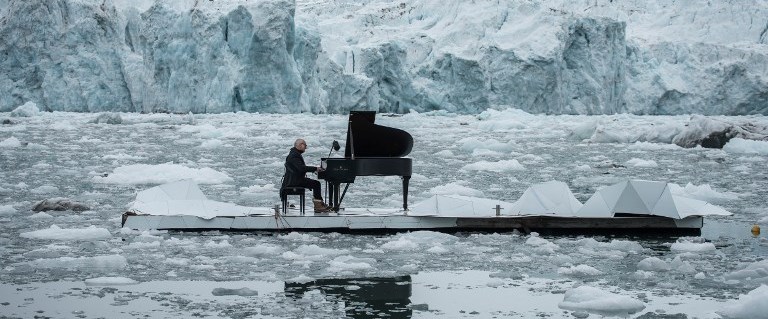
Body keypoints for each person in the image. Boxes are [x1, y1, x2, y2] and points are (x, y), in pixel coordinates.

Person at [281, 139, 332, 213]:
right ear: (301, 145)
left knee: (315, 184)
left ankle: (319, 205)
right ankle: (318, 206)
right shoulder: (294, 156)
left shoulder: (294, 154)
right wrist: (315, 168)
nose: (306, 148)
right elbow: (301, 168)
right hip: (294, 181)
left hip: (294, 179)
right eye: (305, 145)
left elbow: (299, 168)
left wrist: (314, 170)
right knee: (316, 184)